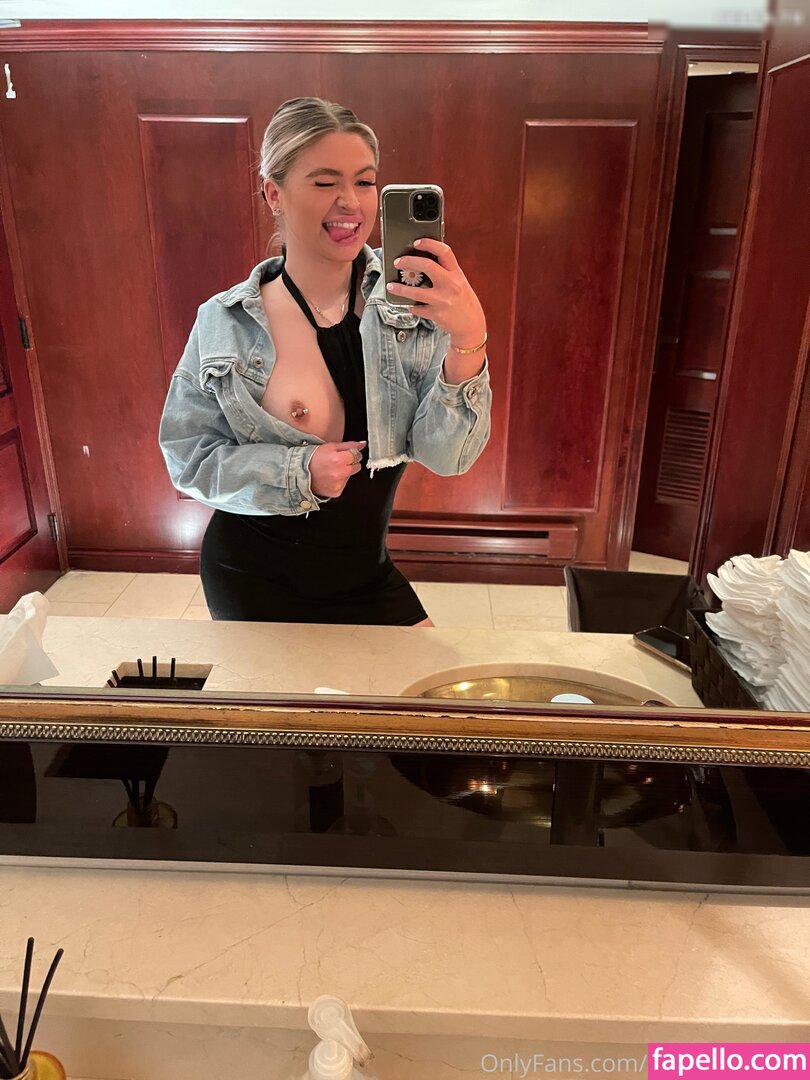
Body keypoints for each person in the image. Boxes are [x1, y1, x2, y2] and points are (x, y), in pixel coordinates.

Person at [159, 97, 491, 626]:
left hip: (366, 575)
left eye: (365, 181)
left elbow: (447, 457)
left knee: (431, 681)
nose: (350, 203)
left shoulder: (415, 306)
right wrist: (298, 473)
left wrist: (469, 338)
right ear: (274, 193)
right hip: (254, 576)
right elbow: (188, 459)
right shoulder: (226, 322)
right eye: (324, 182)